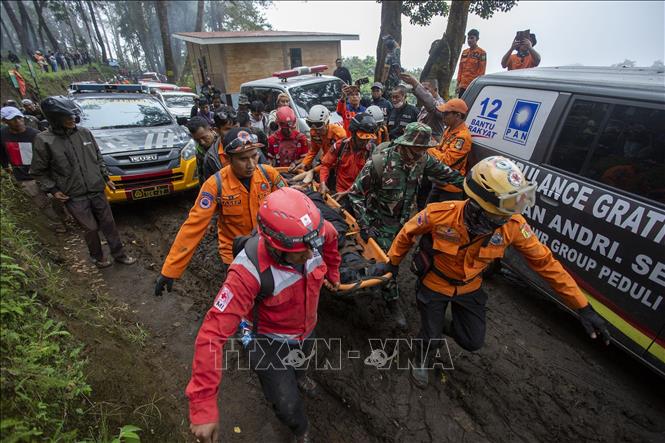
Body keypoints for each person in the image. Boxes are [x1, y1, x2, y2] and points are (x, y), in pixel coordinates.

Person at [386, 156, 610, 387]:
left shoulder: (513, 226)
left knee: (472, 341)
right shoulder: (440, 214)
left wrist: (582, 307)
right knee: (430, 337)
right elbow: (406, 234)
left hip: (469, 288)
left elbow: (545, 263)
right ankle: (422, 356)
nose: (508, 216)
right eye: (503, 210)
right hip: (435, 283)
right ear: (478, 203)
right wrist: (392, 263)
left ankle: (437, 324)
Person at [186, 187, 341, 443]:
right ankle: (300, 431)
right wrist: (202, 405)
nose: (312, 253)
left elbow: (331, 243)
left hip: (305, 330)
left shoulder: (314, 236)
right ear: (275, 245)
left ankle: (301, 376)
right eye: (302, 251)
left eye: (314, 245)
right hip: (268, 341)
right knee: (286, 404)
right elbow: (211, 334)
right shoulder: (246, 273)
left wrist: (333, 271)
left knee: (303, 361)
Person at [348, 122, 464, 329]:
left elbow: (448, 175)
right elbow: (354, 194)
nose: (420, 154)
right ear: (405, 145)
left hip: (404, 225)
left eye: (423, 149)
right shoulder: (379, 163)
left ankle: (378, 283)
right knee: (388, 265)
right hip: (379, 223)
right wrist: (365, 226)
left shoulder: (424, 160)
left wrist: (476, 189)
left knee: (398, 261)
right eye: (416, 149)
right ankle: (392, 302)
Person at [154, 128, 287, 295]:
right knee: (241, 296)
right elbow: (193, 227)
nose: (251, 164)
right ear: (227, 159)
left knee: (270, 294)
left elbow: (289, 207)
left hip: (268, 249)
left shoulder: (269, 175)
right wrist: (170, 270)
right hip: (236, 255)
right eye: (243, 159)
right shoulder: (214, 186)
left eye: (254, 156)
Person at [30, 96, 136, 268]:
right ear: (55, 119)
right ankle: (98, 257)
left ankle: (120, 254)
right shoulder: (44, 140)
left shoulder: (85, 133)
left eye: (73, 116)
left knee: (109, 224)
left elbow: (98, 157)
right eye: (68, 117)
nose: (73, 119)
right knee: (91, 228)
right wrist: (54, 190)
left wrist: (106, 177)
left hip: (96, 188)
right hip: (73, 194)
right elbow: (38, 171)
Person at [1, 106, 67, 233]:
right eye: (13, 119)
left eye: (19, 118)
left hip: (43, 173)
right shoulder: (3, 135)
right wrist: (5, 166)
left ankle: (63, 216)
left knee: (56, 197)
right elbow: (2, 152)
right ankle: (59, 224)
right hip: (23, 176)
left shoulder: (36, 134)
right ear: (5, 121)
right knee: (41, 203)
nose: (18, 121)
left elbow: (51, 154)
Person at [319, 113, 377, 197]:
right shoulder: (340, 146)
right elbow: (325, 165)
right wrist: (323, 182)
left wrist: (350, 191)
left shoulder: (372, 151)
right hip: (339, 192)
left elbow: (371, 179)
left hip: (360, 195)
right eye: (362, 139)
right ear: (353, 134)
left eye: (368, 139)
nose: (365, 142)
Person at [427, 99, 473, 203]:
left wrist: (428, 149)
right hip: (440, 181)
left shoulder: (463, 137)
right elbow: (440, 149)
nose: (442, 116)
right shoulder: (449, 129)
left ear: (458, 115)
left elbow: (447, 160)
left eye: (446, 114)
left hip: (451, 187)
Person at [399, 73, 445, 140]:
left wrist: (415, 83)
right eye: (422, 89)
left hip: (433, 145)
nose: (422, 92)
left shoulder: (441, 104)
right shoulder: (424, 106)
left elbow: (431, 105)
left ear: (435, 90)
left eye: (426, 89)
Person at [299, 104, 346, 170]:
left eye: (319, 128)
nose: (317, 132)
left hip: (339, 164)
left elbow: (342, 157)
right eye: (314, 128)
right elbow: (313, 150)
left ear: (327, 123)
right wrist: (304, 163)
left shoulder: (339, 134)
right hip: (325, 161)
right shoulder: (313, 132)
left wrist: (315, 170)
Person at [186, 117, 217, 184]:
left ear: (211, 129)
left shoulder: (223, 143)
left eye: (204, 137)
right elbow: (201, 174)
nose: (202, 142)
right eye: (197, 140)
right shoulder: (198, 149)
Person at [456, 29, 486, 97]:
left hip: (472, 86)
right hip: (462, 86)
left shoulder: (481, 53)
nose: (469, 40)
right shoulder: (464, 52)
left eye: (472, 38)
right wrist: (458, 84)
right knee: (460, 105)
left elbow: (481, 72)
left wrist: (477, 85)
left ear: (477, 39)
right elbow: (460, 69)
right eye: (468, 38)